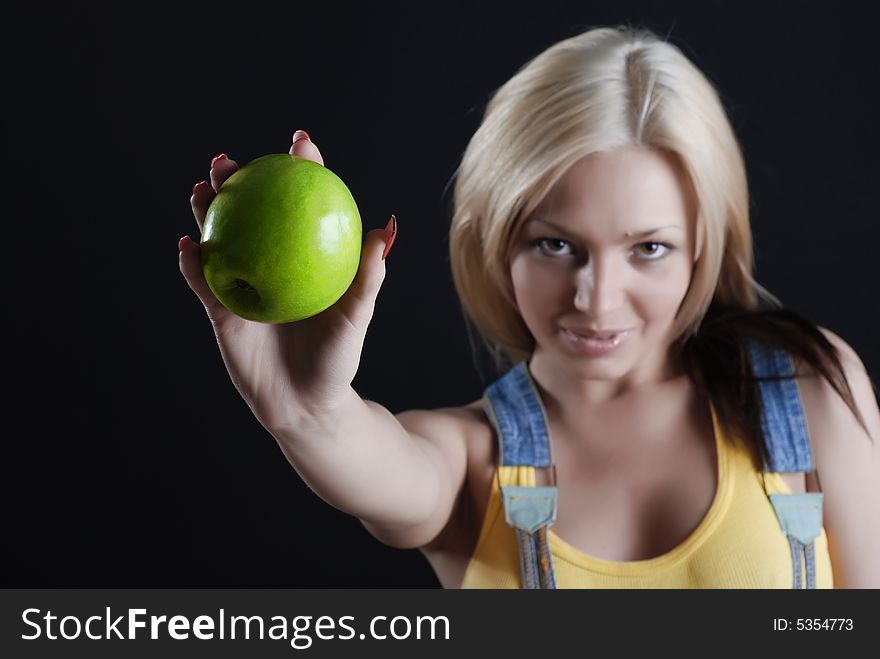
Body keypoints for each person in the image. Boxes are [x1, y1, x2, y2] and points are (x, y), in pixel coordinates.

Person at [179, 24, 880, 588]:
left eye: (650, 249)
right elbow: (383, 466)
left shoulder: (808, 391)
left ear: (705, 243)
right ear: (497, 240)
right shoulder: (472, 464)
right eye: (554, 245)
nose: (596, 298)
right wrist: (309, 411)